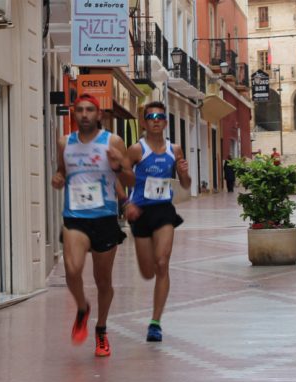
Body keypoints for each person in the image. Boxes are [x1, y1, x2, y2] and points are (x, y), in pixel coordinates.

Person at [51, 93, 134, 357]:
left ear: (98, 114)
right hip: (75, 216)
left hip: (105, 217)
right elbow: (62, 171)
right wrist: (58, 178)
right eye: (79, 110)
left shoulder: (112, 141)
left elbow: (131, 177)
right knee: (72, 270)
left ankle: (101, 328)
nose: (84, 114)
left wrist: (118, 166)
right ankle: (82, 307)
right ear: (74, 114)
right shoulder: (65, 143)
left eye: (89, 110)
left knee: (103, 280)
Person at [124, 101, 192, 342]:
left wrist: (183, 172)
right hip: (140, 213)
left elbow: (186, 185)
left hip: (164, 210)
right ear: (144, 122)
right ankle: (148, 267)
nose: (156, 120)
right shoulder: (135, 150)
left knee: (162, 263)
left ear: (165, 122)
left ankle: (155, 322)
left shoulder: (176, 149)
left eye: (160, 117)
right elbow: (119, 177)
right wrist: (127, 204)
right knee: (147, 272)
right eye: (151, 116)